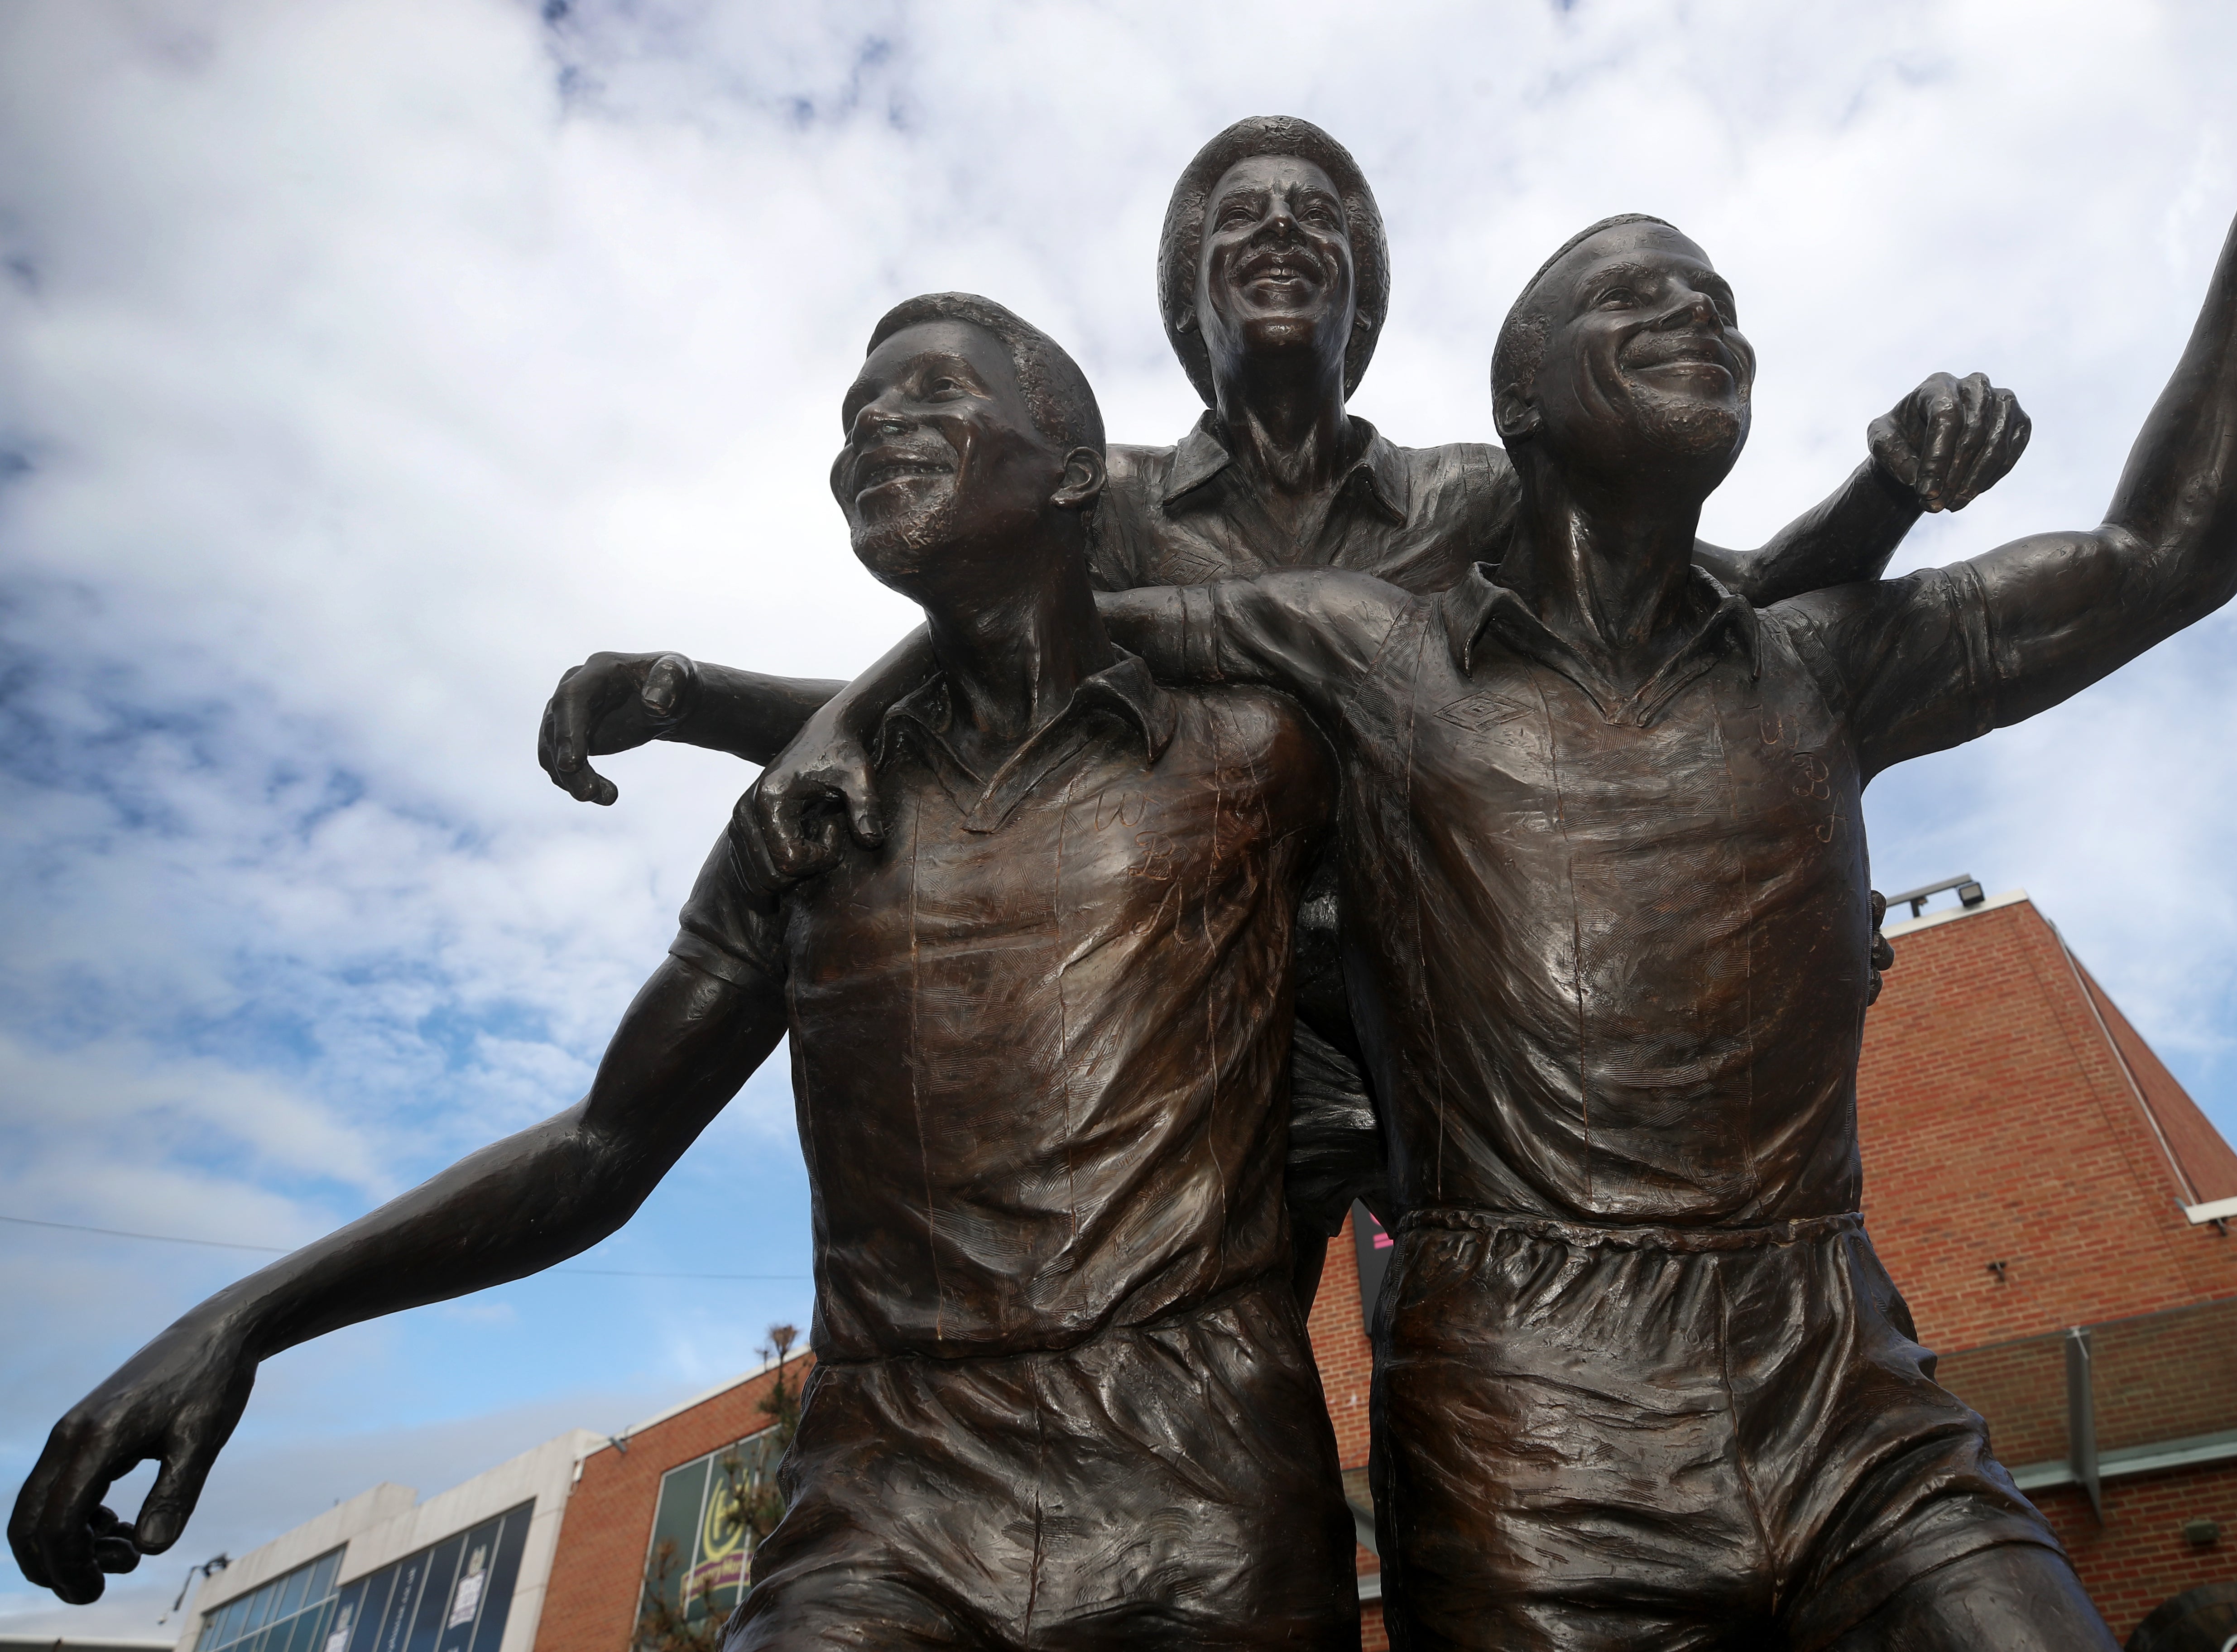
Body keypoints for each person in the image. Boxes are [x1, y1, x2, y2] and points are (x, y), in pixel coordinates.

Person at [740, 22, 2237, 1648]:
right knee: (1219, 1387)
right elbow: (1022, 618)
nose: (1699, 314)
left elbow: (2103, 554)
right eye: (1638, 299)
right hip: (1331, 1161)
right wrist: (808, 719)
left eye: (1719, 303)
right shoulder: (1289, 604)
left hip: (1743, 1288)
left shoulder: (1578, 554)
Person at [14, 293, 1363, 1649]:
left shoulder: (1257, 758)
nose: (876, 429)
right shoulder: (805, 824)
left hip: (1199, 1497)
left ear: (1075, 471)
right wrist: (244, 1317)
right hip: (889, 1506)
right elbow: (605, 1144)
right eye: (856, 417)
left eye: (936, 396)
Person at [538, 115, 2026, 1280]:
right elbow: (969, 676)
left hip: (1446, 999)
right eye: (1240, 219)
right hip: (1210, 1021)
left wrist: (1888, 490)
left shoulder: (1477, 492)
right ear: (1189, 296)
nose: (1281, 235)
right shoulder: (1099, 502)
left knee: (1477, 1331)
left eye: (1316, 219)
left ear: (1361, 291)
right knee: (1231, 1393)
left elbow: (1744, 593)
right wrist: (703, 696)